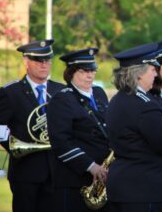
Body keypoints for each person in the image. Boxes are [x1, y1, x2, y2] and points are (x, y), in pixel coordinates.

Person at [106, 42, 162, 212]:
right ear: (139, 74)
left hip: (126, 186)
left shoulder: (119, 99)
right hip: (146, 189)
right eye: (152, 69)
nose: (155, 73)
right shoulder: (146, 105)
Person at [0, 39, 64, 212]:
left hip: (57, 171)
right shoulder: (10, 92)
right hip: (25, 171)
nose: (44, 65)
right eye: (38, 61)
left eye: (47, 60)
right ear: (26, 62)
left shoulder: (61, 91)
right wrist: (15, 147)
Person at [47, 48, 110, 212]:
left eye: (93, 70)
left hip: (102, 179)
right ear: (71, 73)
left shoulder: (99, 92)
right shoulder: (62, 98)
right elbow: (60, 142)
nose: (90, 75)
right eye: (84, 71)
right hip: (75, 180)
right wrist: (91, 166)